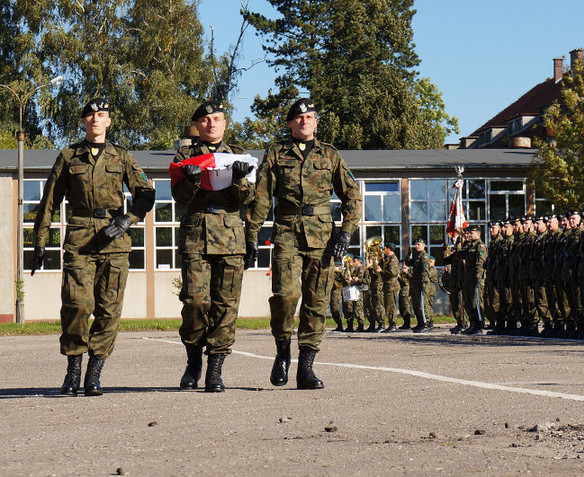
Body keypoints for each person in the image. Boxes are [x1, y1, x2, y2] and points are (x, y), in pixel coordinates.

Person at [32, 98, 155, 396]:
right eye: (90, 115)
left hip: (115, 238)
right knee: (76, 304)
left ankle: (94, 373)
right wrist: (39, 241)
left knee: (109, 309)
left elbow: (146, 194)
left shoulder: (122, 156)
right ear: (84, 122)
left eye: (101, 115)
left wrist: (128, 220)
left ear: (109, 121)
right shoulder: (69, 156)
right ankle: (73, 369)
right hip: (80, 237)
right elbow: (49, 201)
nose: (95, 119)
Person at [246, 98, 361, 389]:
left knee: (317, 301)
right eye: (299, 118)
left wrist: (347, 231)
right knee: (285, 296)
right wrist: (251, 235)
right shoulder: (275, 153)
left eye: (310, 117)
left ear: (316, 121)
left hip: (322, 236)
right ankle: (283, 351)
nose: (304, 121)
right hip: (287, 231)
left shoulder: (330, 155)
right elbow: (261, 197)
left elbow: (352, 195)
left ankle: (306, 368)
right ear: (290, 123)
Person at [172, 100, 256, 392]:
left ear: (224, 123)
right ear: (197, 125)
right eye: (205, 120)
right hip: (196, 236)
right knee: (195, 301)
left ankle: (215, 370)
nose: (211, 124)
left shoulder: (239, 156)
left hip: (231, 238)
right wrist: (191, 181)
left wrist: (239, 178)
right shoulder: (185, 154)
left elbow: (245, 199)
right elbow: (179, 196)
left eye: (217, 119)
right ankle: (194, 360)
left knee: (226, 306)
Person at [379, 243, 400, 332]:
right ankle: (391, 323)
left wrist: (382, 271)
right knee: (388, 305)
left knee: (391, 306)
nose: (384, 250)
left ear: (388, 249)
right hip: (388, 285)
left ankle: (393, 324)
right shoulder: (388, 259)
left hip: (392, 285)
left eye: (385, 249)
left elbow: (392, 272)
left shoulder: (393, 259)